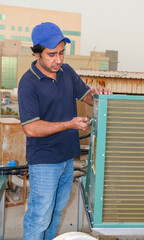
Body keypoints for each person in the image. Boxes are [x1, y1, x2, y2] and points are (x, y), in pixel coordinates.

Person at [18, 22, 112, 240]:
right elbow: (30, 128)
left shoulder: (66, 71)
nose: (58, 60)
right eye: (52, 54)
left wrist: (100, 97)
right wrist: (70, 124)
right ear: (37, 53)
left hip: (66, 159)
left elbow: (86, 96)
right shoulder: (28, 83)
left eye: (61, 53)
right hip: (44, 162)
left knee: (55, 213)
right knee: (39, 217)